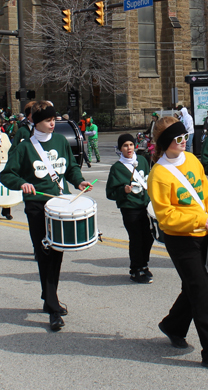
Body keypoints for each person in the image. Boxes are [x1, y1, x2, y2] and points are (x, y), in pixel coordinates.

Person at [147, 116, 208, 372]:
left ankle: (173, 325)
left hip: (204, 234)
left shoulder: (192, 161)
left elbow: (206, 199)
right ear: (165, 143)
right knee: (201, 293)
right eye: (178, 139)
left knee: (194, 287)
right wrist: (201, 218)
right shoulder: (158, 175)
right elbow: (167, 218)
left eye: (185, 137)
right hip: (180, 240)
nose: (183, 142)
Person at [0, 100, 94, 330]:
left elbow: (71, 167)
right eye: (48, 120)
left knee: (57, 252)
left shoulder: (61, 141)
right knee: (45, 253)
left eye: (53, 120)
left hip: (60, 203)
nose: (53, 124)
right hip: (37, 207)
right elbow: (6, 175)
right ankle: (53, 307)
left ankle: (48, 297)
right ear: (35, 122)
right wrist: (22, 184)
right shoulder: (24, 147)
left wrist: (79, 181)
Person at [106, 134, 154, 283]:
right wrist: (123, 191)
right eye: (125, 146)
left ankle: (144, 264)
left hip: (145, 206)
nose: (129, 148)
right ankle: (135, 269)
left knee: (148, 237)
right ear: (120, 148)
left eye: (131, 145)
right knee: (136, 239)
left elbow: (149, 179)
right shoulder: (117, 168)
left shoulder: (142, 161)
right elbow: (110, 193)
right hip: (130, 209)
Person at [0, 130, 13, 219]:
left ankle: (6, 211)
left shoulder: (4, 136)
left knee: (5, 189)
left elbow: (10, 149)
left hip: (4, 165)